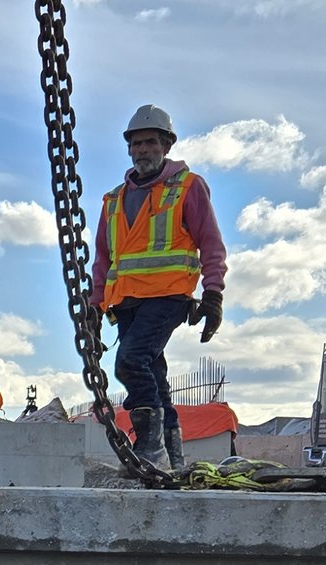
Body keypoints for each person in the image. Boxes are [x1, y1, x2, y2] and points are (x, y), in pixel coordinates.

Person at [87, 104, 227, 471]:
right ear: (129, 148)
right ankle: (172, 457)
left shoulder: (187, 188)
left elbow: (211, 244)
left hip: (168, 297)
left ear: (166, 146)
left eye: (150, 142)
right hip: (127, 303)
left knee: (130, 362)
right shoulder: (113, 201)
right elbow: (104, 260)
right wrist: (94, 307)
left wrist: (213, 295)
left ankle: (150, 449)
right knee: (154, 374)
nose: (142, 150)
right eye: (136, 143)